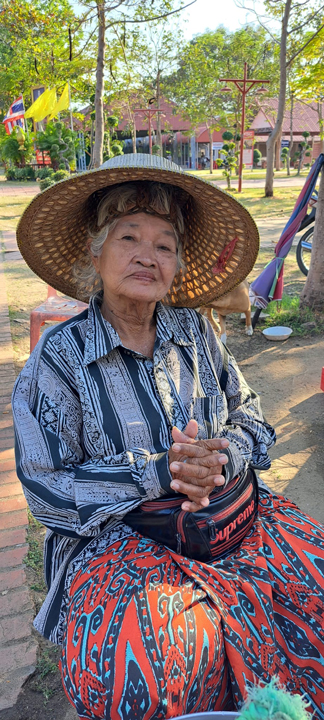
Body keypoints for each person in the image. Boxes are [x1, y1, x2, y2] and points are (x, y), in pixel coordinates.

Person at [12, 154, 324, 720]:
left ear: (178, 263)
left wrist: (223, 455)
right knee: (150, 661)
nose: (146, 255)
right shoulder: (59, 360)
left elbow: (251, 416)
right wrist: (161, 472)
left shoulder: (197, 332)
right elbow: (47, 490)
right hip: (116, 540)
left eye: (164, 244)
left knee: (315, 586)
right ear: (95, 252)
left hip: (227, 520)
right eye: (128, 237)